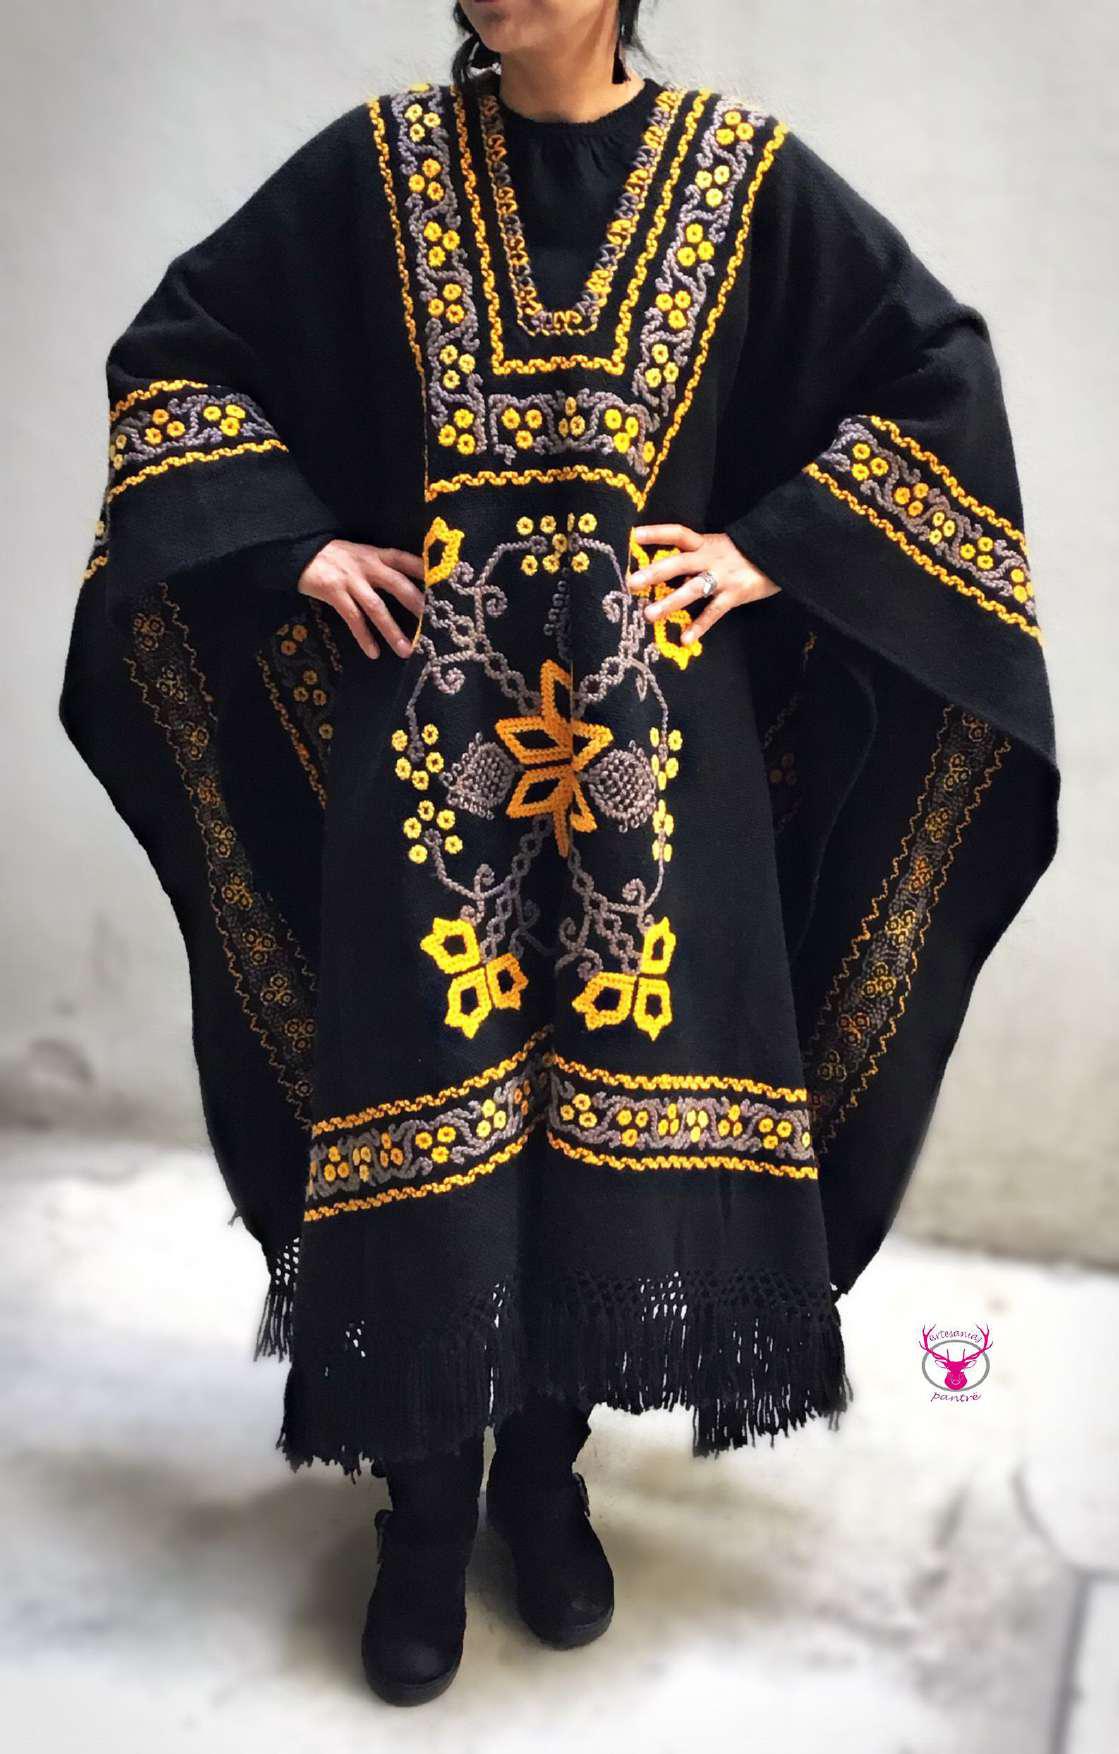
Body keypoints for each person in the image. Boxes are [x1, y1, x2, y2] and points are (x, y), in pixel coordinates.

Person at [58, 0, 1059, 1710]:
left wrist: (772, 549)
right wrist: (294, 550)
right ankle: (424, 1510)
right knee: (427, 1110)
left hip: (649, 787)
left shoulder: (740, 181)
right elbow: (179, 355)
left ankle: (544, 1474)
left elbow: (934, 373)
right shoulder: (381, 173)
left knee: (603, 1128)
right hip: (428, 777)